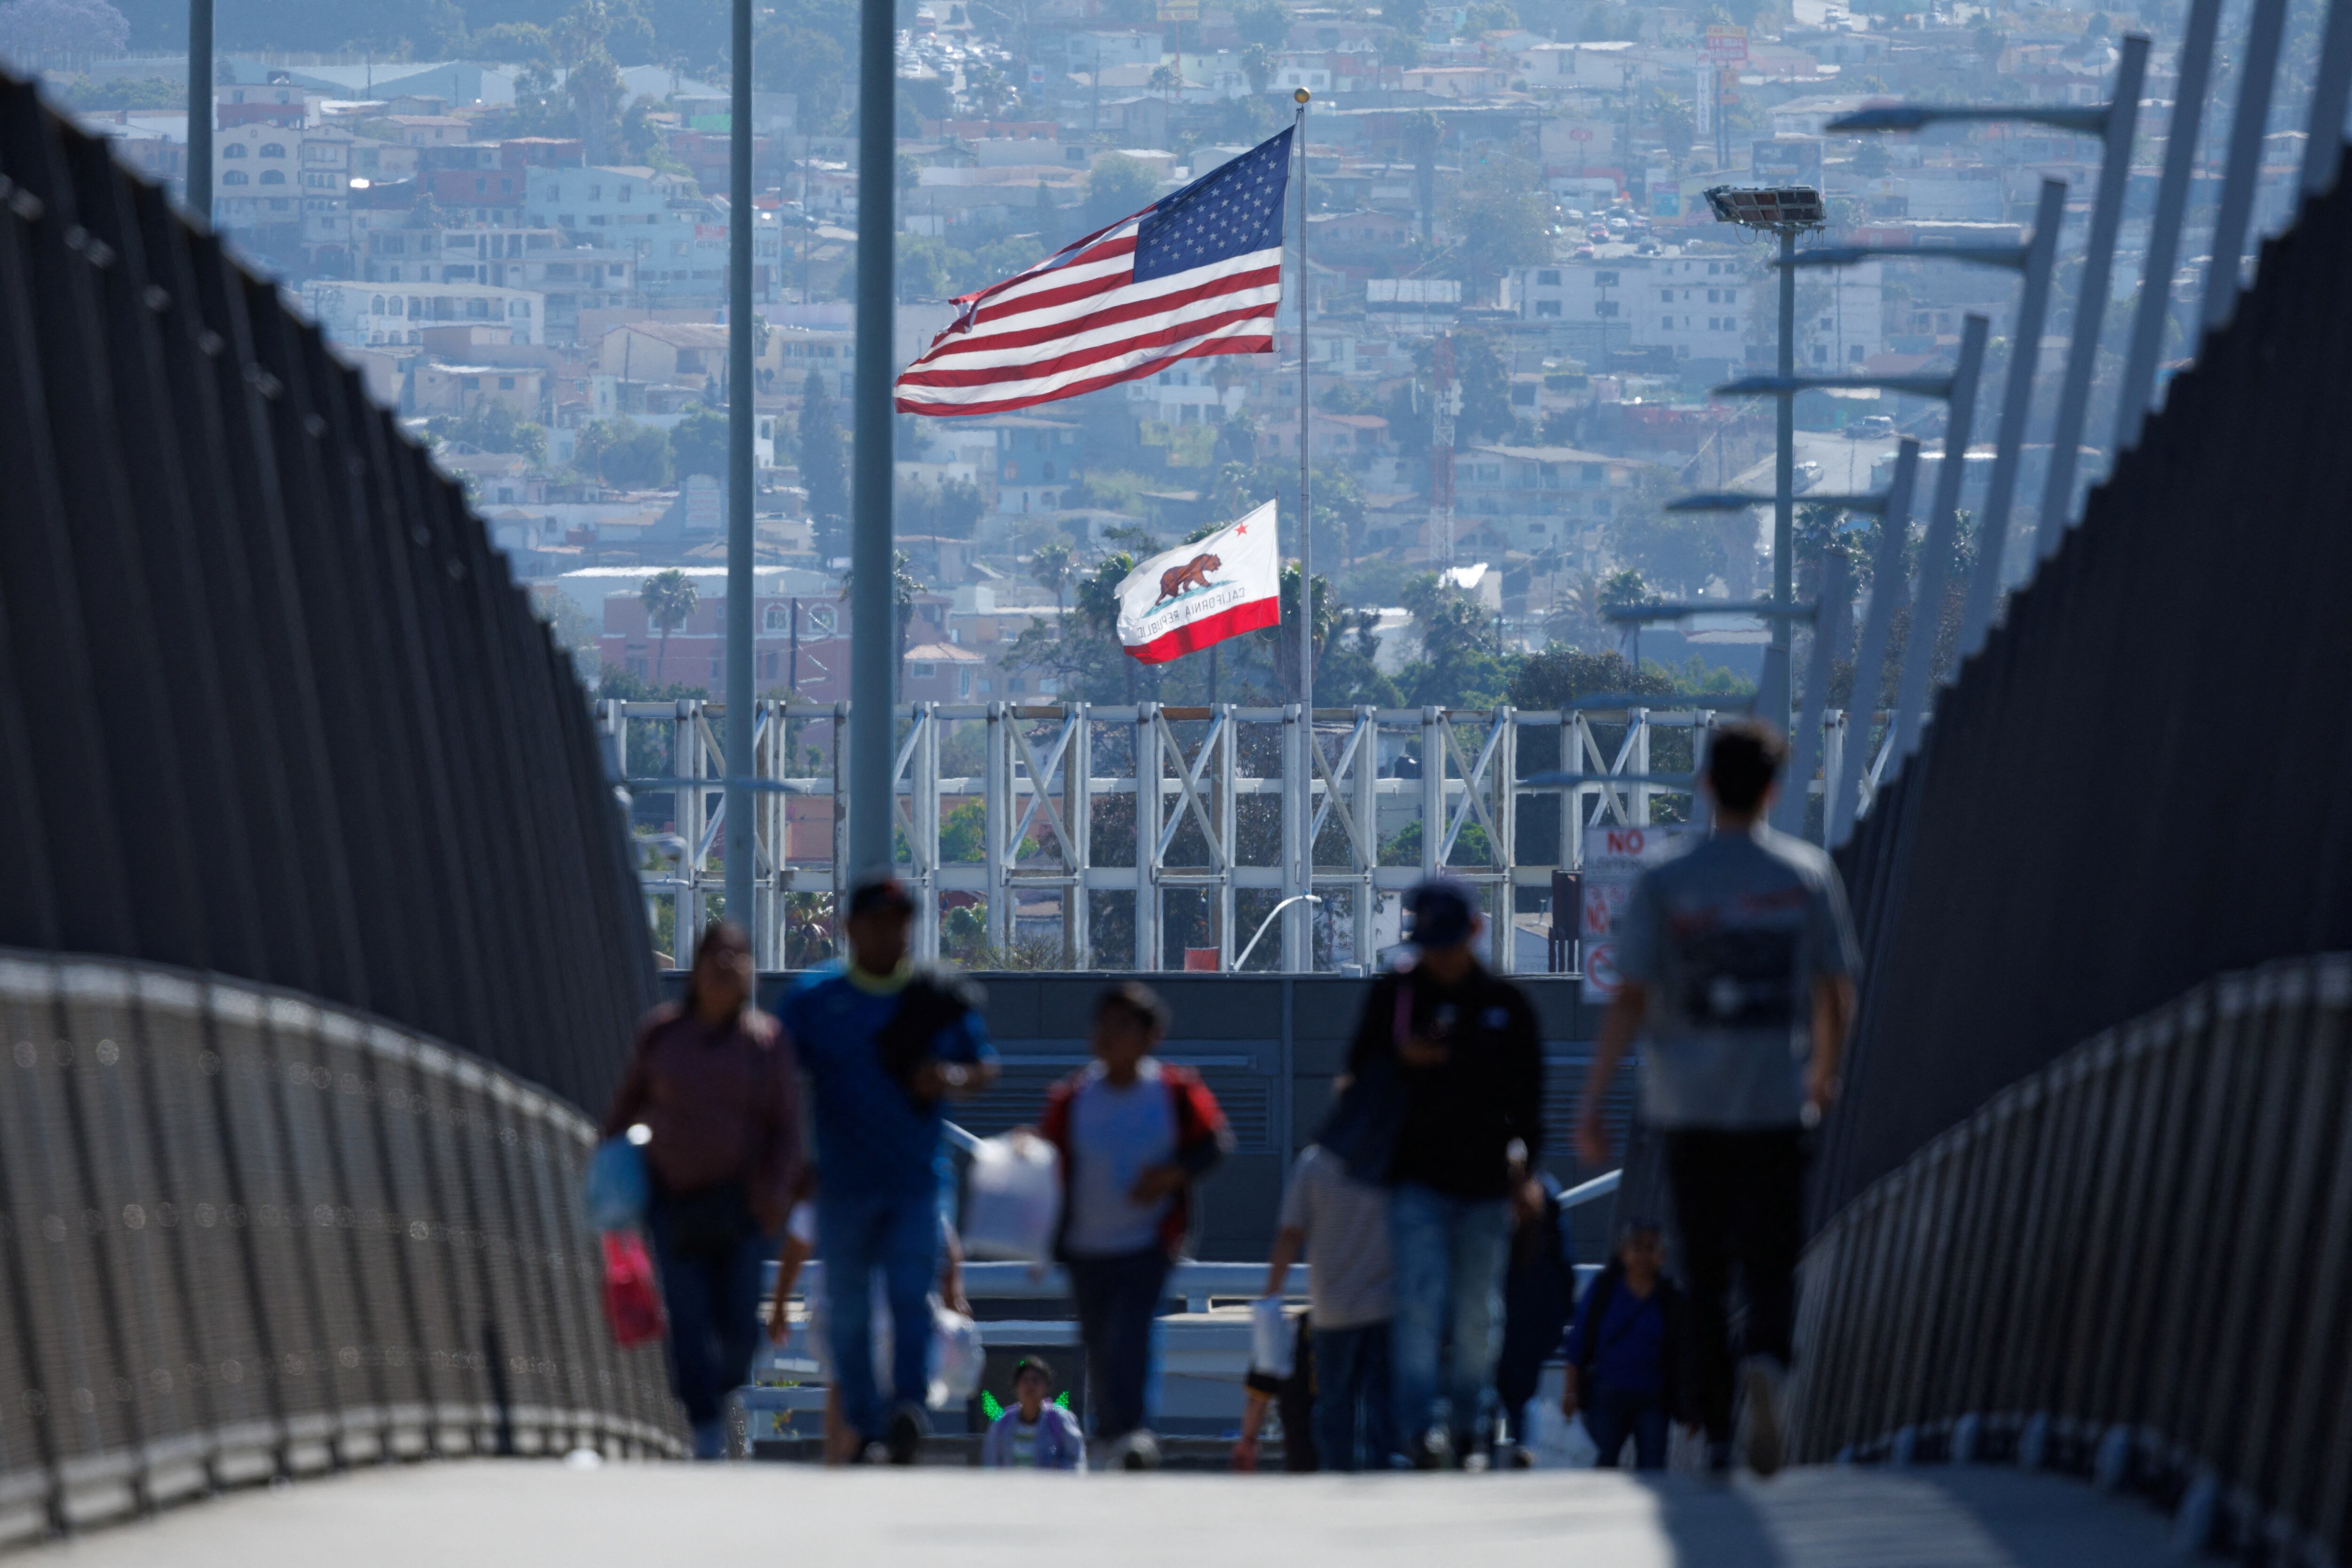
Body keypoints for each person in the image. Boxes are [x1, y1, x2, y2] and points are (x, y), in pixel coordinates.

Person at [1575, 718, 1859, 1479]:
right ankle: (1767, 1359)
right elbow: (1837, 991)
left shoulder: (1666, 882)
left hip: (1687, 1104)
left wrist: (1594, 1098)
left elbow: (1630, 995)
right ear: (1772, 789)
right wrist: (1824, 1072)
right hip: (1775, 1097)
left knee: (1701, 1268)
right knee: (1771, 1257)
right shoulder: (1805, 875)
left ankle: (1723, 1432)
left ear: (1706, 786)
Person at [780, 876, 997, 1465]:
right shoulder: (815, 999)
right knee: (847, 1308)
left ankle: (905, 1412)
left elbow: (983, 1066)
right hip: (842, 1183)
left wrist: (950, 1078)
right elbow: (779, 1079)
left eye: (901, 921)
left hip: (916, 1182)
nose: (890, 933)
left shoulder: (934, 994)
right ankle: (865, 1422)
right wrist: (792, 1160)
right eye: (878, 921)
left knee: (909, 1298)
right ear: (850, 928)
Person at [1347, 879, 1545, 1469]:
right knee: (1417, 1304)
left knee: (1477, 1313)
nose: (1438, 957)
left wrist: (1525, 1170)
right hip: (1413, 1181)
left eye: (1448, 942)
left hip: (1485, 1184)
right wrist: (1401, 1059)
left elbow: (1530, 1099)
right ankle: (1418, 1430)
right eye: (1430, 943)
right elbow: (1357, 1073)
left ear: (1474, 933)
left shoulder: (1505, 1004)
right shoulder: (1395, 997)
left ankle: (1470, 1426)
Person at [603, 922, 801, 1460]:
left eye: (738, 957)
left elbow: (787, 1128)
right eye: (716, 956)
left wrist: (776, 1194)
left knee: (740, 1326)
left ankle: (722, 1392)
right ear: (694, 968)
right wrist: (610, 1169)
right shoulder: (662, 1036)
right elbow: (624, 1108)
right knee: (687, 1319)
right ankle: (705, 1423)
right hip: (675, 1203)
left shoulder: (766, 1043)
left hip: (743, 1209)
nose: (726, 966)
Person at [1039, 981, 1231, 1470]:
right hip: (1085, 1246)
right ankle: (1110, 1430)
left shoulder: (1173, 1092)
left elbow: (1214, 1145)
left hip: (1147, 1242)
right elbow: (1050, 1158)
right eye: (1102, 1025)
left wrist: (1171, 1176)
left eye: (1123, 1026)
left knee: (1132, 1334)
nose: (1108, 1036)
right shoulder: (1073, 1098)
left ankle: (1130, 1432)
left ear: (1151, 1036)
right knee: (1099, 1342)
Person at [1253, 1139, 1395, 1472]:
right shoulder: (1394, 1155)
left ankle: (1336, 1478)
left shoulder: (1314, 1163)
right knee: (1382, 1404)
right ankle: (1383, 1480)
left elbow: (1289, 1234)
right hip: (1386, 1306)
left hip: (1332, 1308)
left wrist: (1271, 1298)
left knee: (1333, 1404)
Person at [1560, 1219, 1688, 1471]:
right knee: (1600, 1470)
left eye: (1651, 1248)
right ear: (1624, 1252)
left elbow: (1685, 1353)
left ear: (1661, 1256)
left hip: (1654, 1398)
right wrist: (1571, 1391)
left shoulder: (1669, 1297)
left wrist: (1690, 1405)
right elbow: (1578, 1341)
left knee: (1653, 1474)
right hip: (1606, 1395)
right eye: (1637, 1247)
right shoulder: (1604, 1290)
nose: (1644, 1255)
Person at [1494, 1171, 1575, 1465]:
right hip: (1536, 1318)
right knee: (1523, 1394)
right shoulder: (1546, 1196)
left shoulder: (1488, 1198)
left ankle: (1483, 1459)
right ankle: (1526, 1449)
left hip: (1505, 1314)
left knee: (1487, 1394)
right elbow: (1565, 1265)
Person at [981, 1357, 1086, 1470]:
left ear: (1046, 1386)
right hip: (1010, 1487)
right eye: (1025, 1381)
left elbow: (1077, 1461)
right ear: (1017, 1386)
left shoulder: (1060, 1419)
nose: (1030, 1385)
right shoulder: (1002, 1422)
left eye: (1036, 1381)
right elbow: (990, 1464)